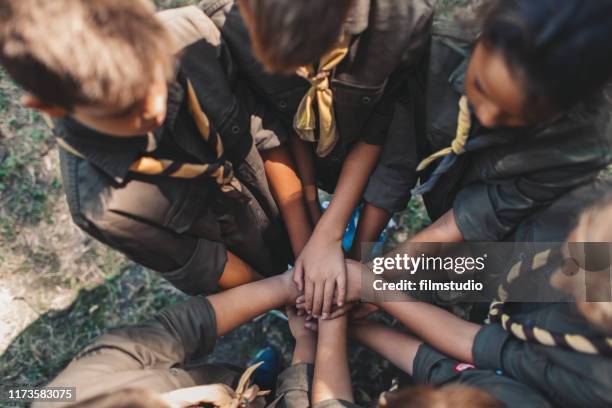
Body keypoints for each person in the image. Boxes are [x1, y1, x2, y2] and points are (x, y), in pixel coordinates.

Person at [0, 0, 300, 294]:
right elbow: (209, 264)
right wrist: (291, 295)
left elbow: (265, 135)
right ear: (49, 106)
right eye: (123, 110)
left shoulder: (189, 36)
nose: (153, 108)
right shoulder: (104, 209)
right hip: (254, 275)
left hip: (291, 208)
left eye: (154, 77)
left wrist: (308, 246)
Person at [213, 0, 434, 319]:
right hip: (314, 160)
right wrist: (315, 228)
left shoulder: (401, 23)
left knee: (471, 274)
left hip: (489, 245)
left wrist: (360, 266)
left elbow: (391, 143)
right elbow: (280, 121)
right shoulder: (230, 27)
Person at [338, 194, 612, 408]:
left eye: (576, 275)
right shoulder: (588, 223)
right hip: (510, 266)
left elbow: (477, 346)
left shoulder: (588, 379)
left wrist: (371, 294)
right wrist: (378, 288)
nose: (559, 279)